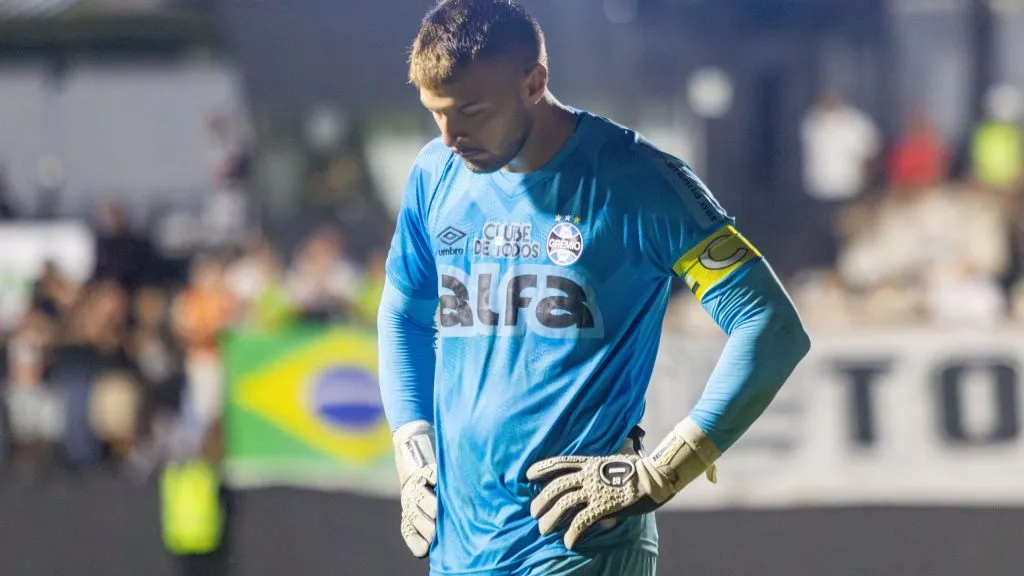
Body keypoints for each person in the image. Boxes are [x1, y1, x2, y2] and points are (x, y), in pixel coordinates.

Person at [377, 1, 811, 575]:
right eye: (436, 114)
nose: (452, 135)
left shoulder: (641, 182)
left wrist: (663, 470)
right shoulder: (435, 173)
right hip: (460, 546)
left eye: (472, 111)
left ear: (535, 82)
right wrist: (412, 444)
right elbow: (405, 312)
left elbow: (770, 326)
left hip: (578, 545)